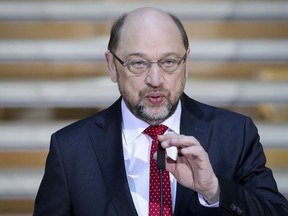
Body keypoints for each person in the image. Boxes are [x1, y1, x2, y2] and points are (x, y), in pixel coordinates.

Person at [33, 7, 288, 216]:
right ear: (112, 66)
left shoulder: (235, 133)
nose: (155, 79)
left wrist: (215, 190)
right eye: (138, 63)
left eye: (168, 62)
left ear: (186, 63)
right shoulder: (70, 148)